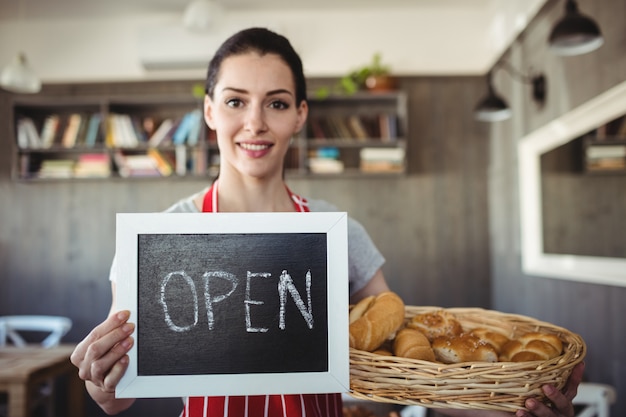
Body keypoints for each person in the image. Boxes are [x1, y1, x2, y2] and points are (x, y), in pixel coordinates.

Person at [70, 27, 584, 417]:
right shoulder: (161, 238)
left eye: (276, 103)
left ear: (299, 115)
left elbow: (398, 374)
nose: (255, 122)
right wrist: (100, 379)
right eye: (235, 102)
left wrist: (511, 402)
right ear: (209, 112)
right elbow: (115, 397)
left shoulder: (339, 233)